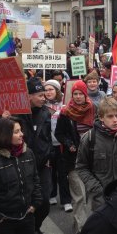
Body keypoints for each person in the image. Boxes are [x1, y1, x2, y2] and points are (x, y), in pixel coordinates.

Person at [9, 78, 53, 234]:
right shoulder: (16, 114)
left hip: (42, 165)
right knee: (25, 201)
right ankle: (27, 231)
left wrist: (48, 156)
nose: (44, 98)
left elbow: (47, 138)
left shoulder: (46, 113)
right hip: (21, 165)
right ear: (28, 96)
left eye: (45, 95)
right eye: (40, 95)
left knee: (44, 202)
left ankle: (36, 226)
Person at [75, 97, 117, 210]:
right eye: (110, 116)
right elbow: (81, 167)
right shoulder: (89, 138)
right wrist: (98, 190)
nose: (115, 120)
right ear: (101, 117)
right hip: (102, 199)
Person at [54, 79, 95, 234]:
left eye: (80, 94)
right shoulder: (65, 112)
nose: (78, 97)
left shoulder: (93, 109)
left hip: (91, 158)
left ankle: (87, 224)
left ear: (85, 95)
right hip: (73, 160)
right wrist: (69, 143)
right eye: (75, 94)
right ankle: (80, 230)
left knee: (91, 195)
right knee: (79, 196)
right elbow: (59, 133)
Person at [44, 79, 71, 212]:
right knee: (51, 172)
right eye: (46, 90)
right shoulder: (42, 105)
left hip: (61, 144)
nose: (48, 92)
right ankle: (52, 194)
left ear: (57, 90)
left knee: (63, 173)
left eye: (51, 89)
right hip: (48, 144)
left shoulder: (64, 104)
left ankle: (66, 200)